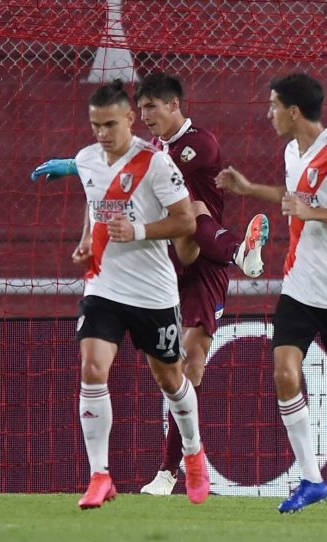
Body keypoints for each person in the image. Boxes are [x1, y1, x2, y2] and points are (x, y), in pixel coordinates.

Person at [31, 72, 270, 496]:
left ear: (173, 106)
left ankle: (176, 465)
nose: (144, 117)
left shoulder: (192, 147)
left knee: (186, 368)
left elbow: (167, 196)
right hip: (130, 274)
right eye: (139, 110)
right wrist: (84, 198)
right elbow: (103, 186)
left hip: (196, 262)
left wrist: (82, 166)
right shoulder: (135, 151)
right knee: (93, 368)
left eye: (150, 109)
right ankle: (102, 475)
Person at [216, 73, 327, 513]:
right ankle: (312, 480)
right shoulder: (291, 150)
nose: (269, 114)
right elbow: (292, 197)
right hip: (299, 285)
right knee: (284, 372)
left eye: (273, 106)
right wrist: (249, 190)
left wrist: (313, 211)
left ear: (293, 111)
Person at [68, 79, 209, 508]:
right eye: (95, 126)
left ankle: (194, 454)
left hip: (153, 293)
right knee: (92, 368)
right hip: (104, 286)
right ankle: (100, 476)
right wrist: (87, 240)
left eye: (110, 124)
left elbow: (186, 222)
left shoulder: (157, 164)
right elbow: (96, 203)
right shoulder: (86, 159)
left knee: (170, 379)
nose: (102, 134)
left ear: (130, 119)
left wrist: (139, 231)